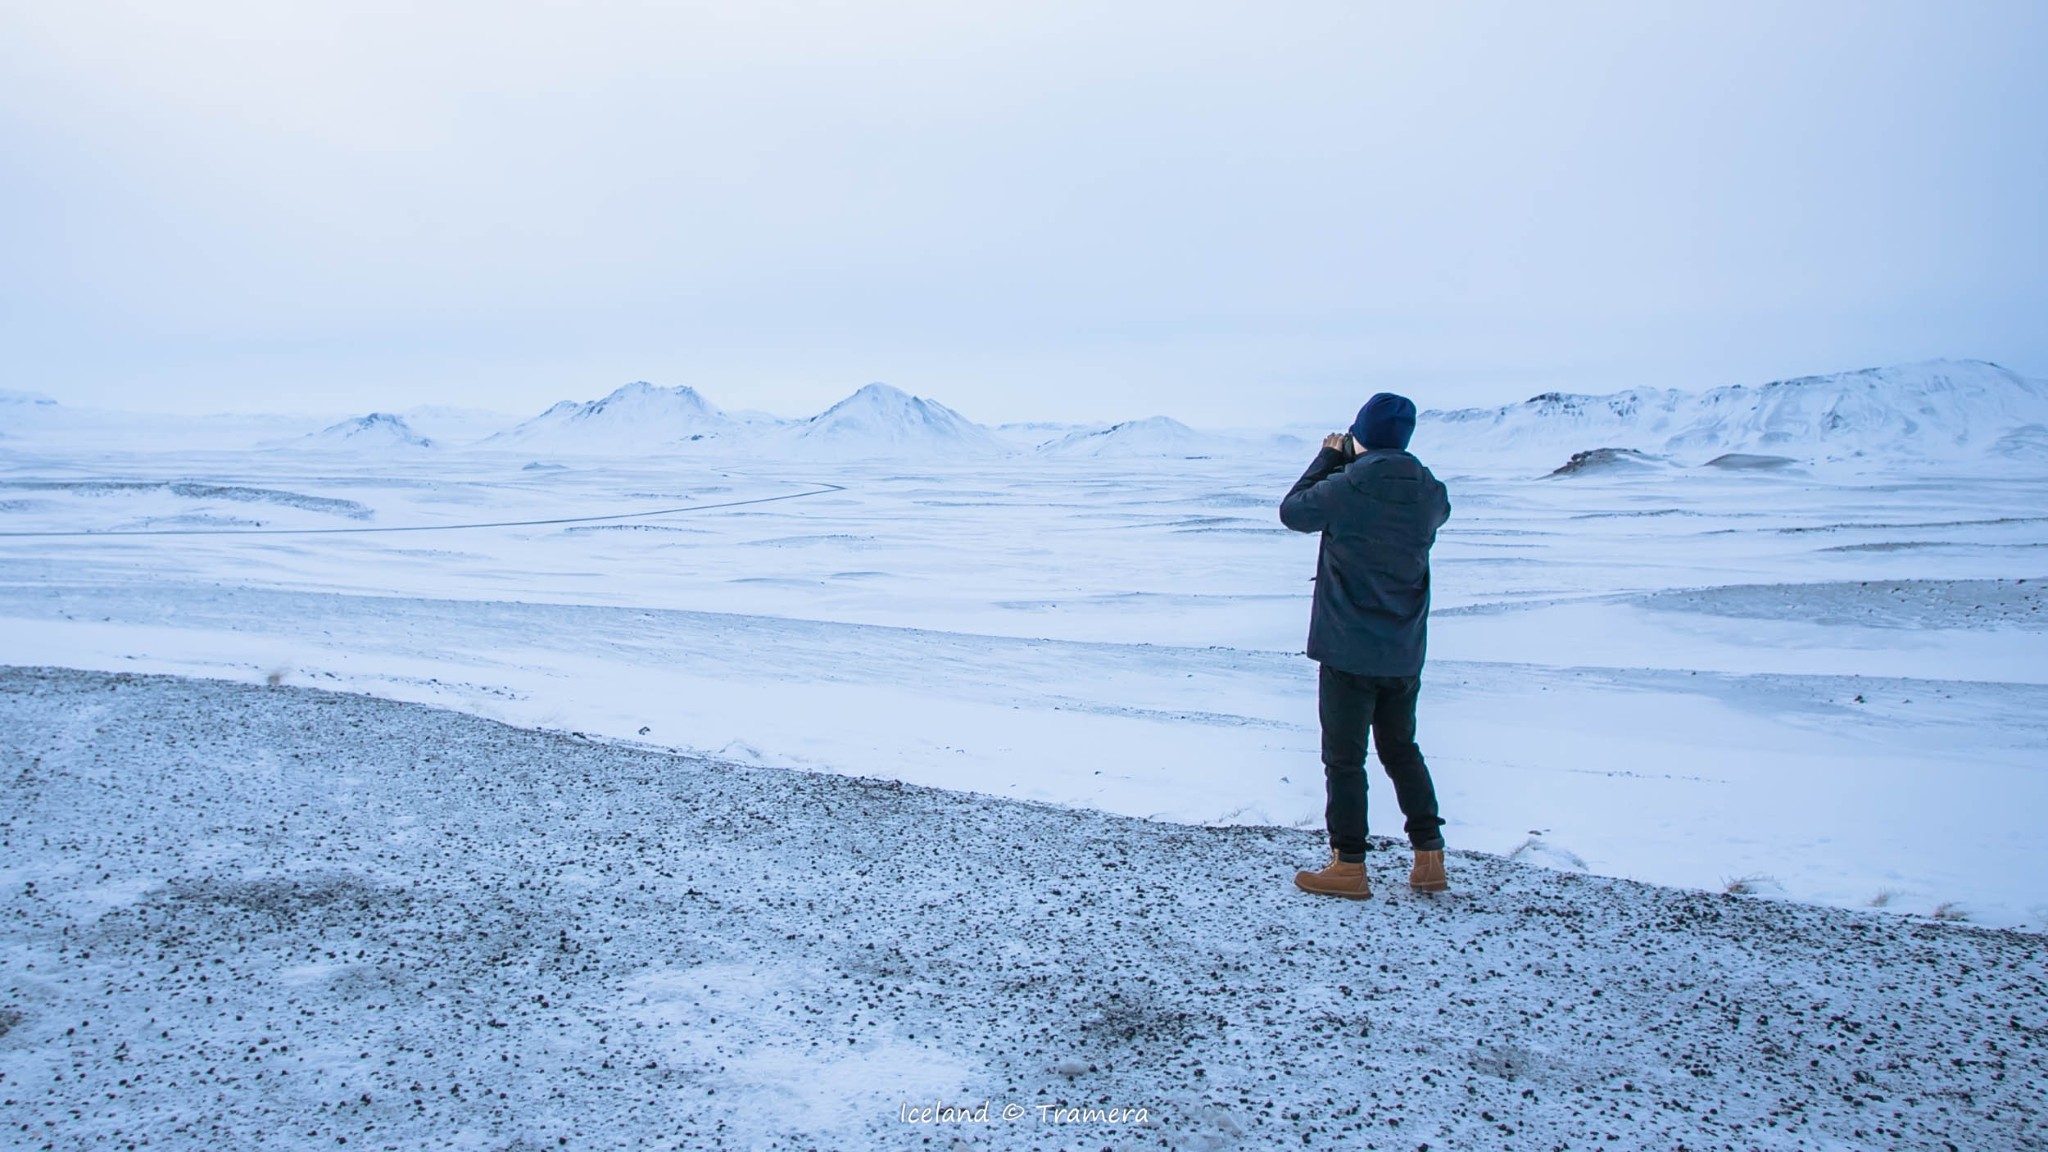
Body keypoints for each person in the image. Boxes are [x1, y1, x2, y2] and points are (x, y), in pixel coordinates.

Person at [1278, 392, 1451, 899]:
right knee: (1401, 749)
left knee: (1345, 758)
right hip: (1403, 647)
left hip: (1348, 645)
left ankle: (1349, 865)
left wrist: (1330, 458)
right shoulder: (1430, 490)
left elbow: (1294, 512)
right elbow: (1430, 512)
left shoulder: (1349, 483)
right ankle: (1429, 858)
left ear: (1361, 434)